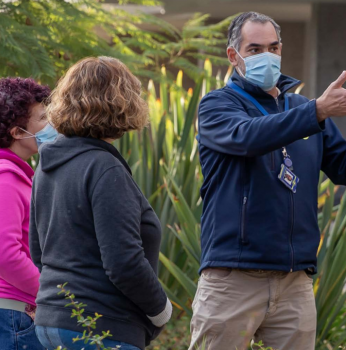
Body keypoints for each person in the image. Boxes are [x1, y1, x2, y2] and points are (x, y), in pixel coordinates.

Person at [189, 11, 346, 350]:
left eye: (274, 48)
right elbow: (248, 138)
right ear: (234, 56)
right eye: (256, 49)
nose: (268, 57)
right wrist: (315, 112)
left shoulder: (301, 108)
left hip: (294, 283)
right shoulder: (217, 106)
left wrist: (312, 113)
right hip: (233, 278)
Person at [30, 56, 172, 350]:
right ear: (122, 103)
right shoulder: (104, 168)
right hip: (100, 326)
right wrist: (161, 310)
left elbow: (39, 252)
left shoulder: (47, 166)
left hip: (51, 322)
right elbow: (123, 262)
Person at [0, 77, 55, 350]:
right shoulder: (5, 178)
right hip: (10, 316)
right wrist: (49, 292)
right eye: (43, 118)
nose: (52, 124)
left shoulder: (14, 174)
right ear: (18, 132)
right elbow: (4, 254)